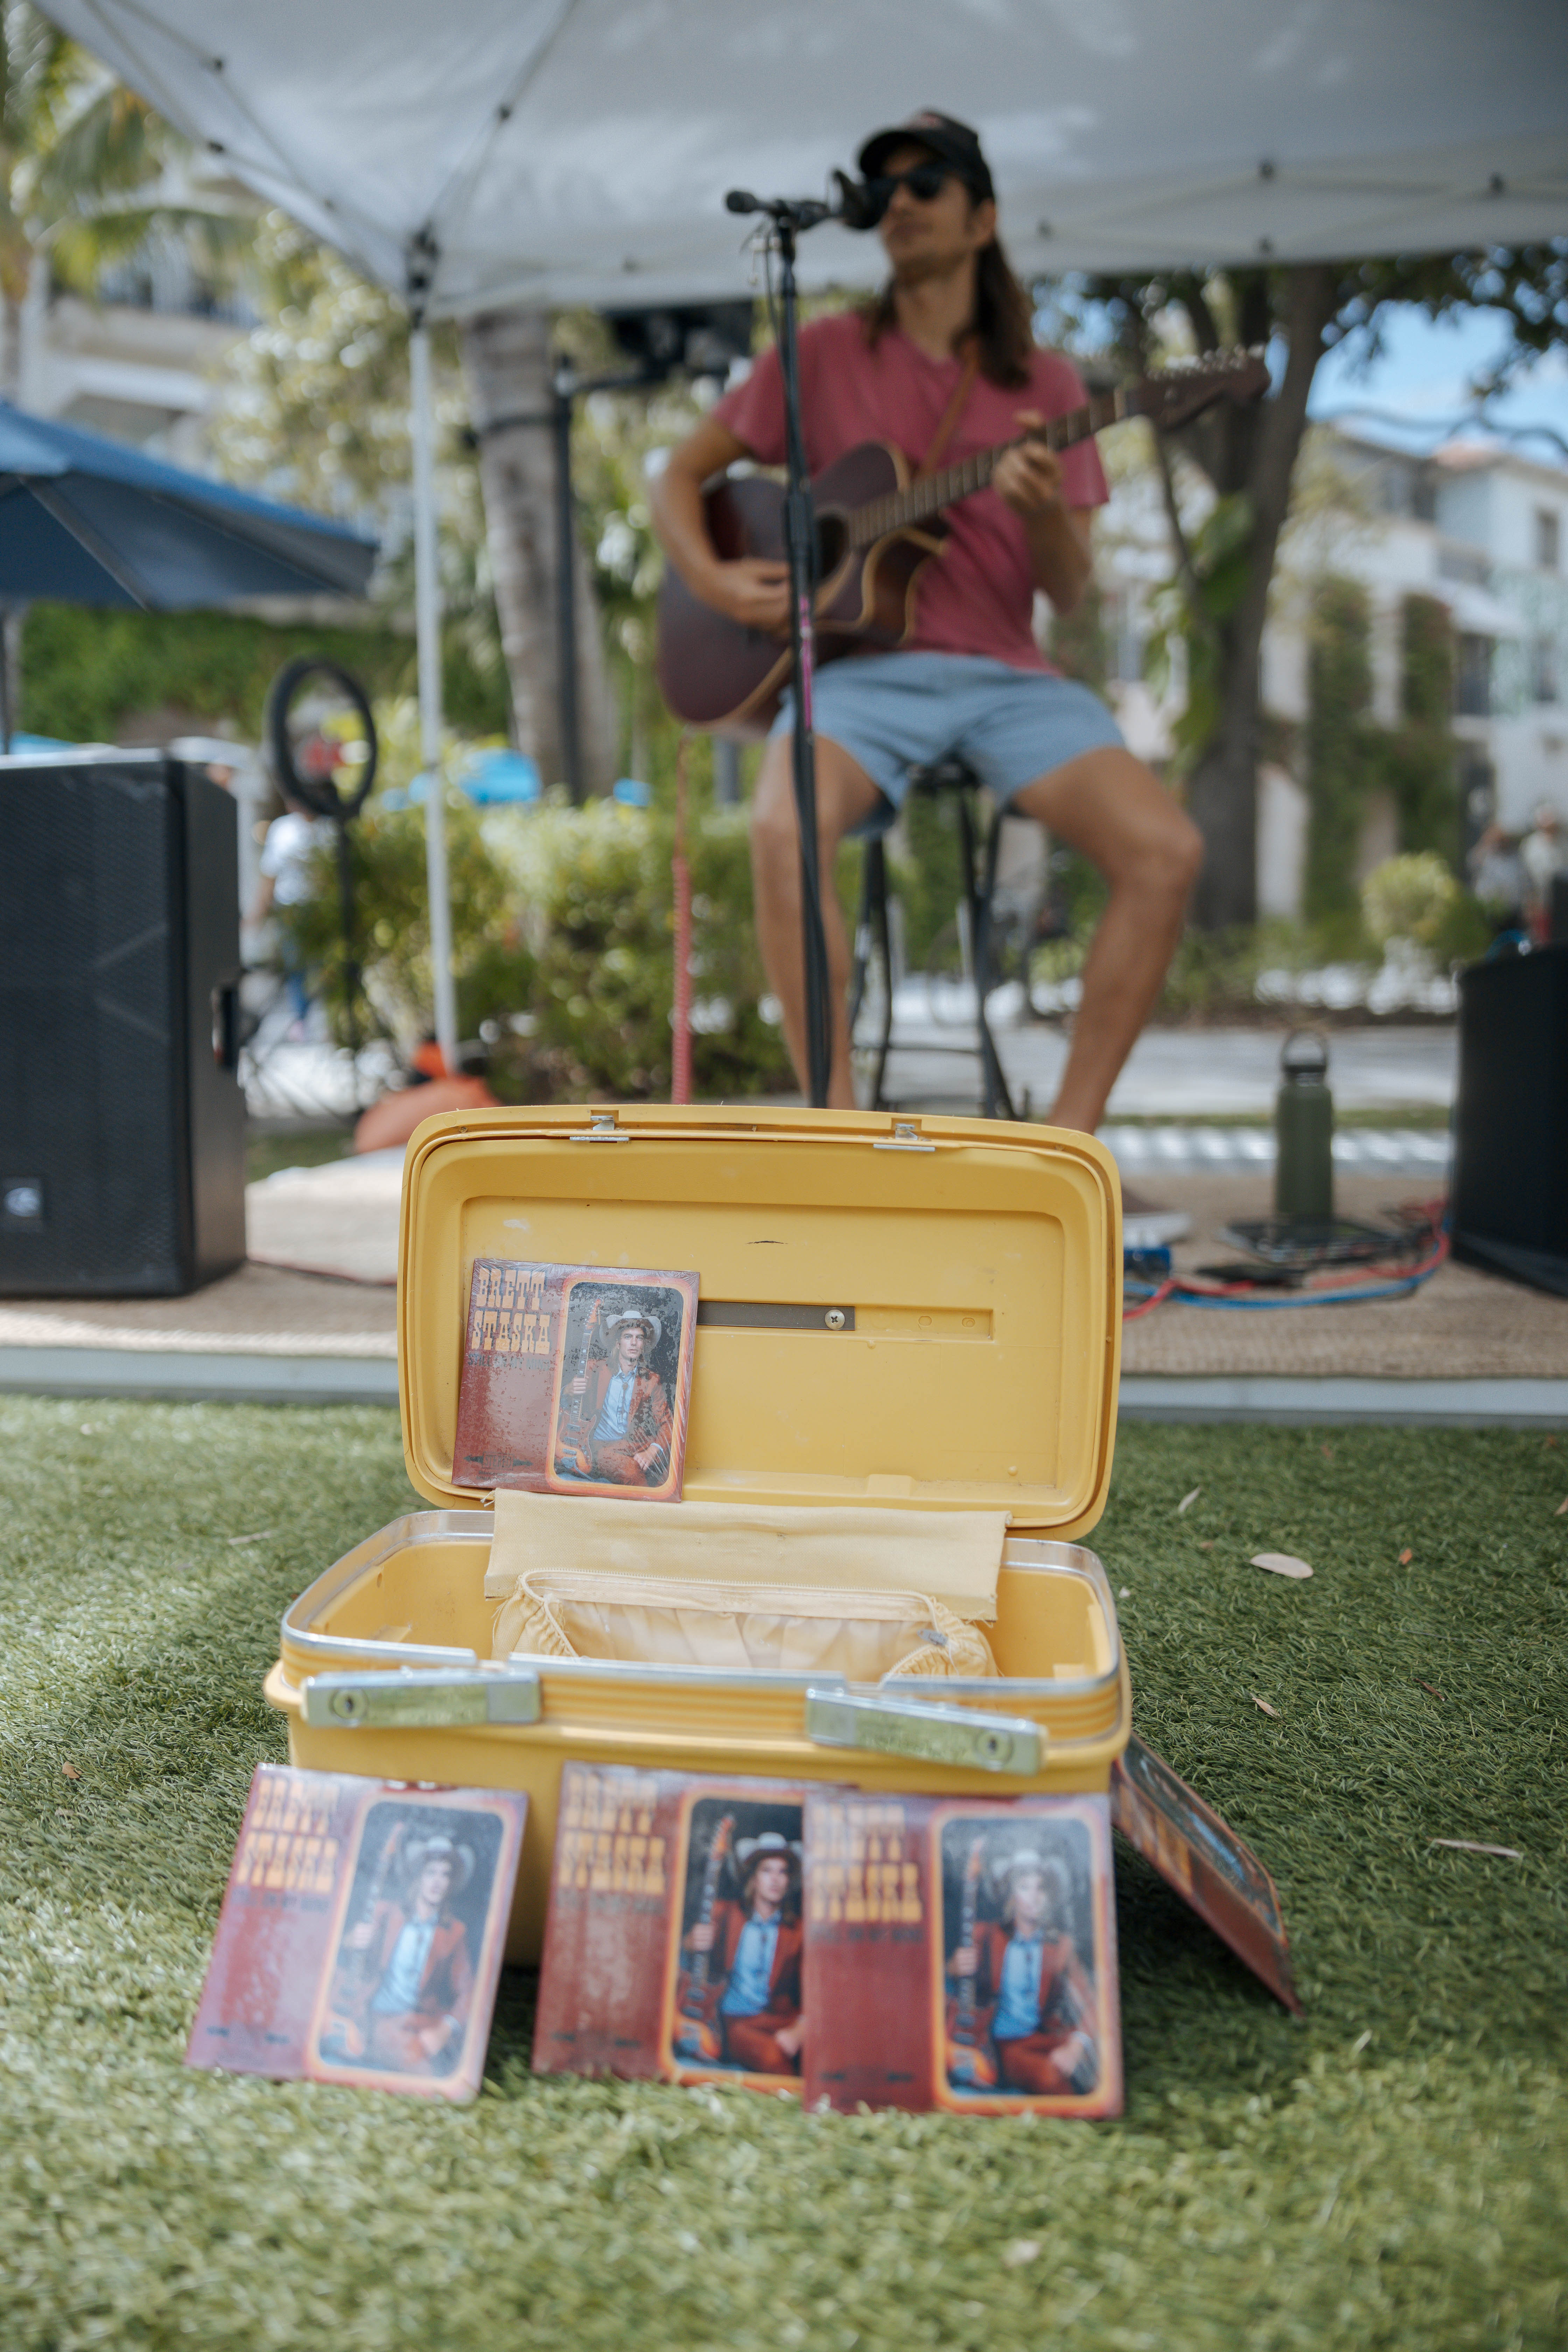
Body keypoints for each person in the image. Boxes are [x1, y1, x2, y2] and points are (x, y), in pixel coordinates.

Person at [651, 109, 1202, 1130]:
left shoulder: (1046, 385)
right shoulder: (816, 353)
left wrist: (1037, 511)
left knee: (1164, 850)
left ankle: (1064, 1145)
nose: (897, 203)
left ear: (980, 217)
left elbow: (1071, 590)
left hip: (1005, 674)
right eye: (885, 188)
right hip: (860, 673)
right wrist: (722, 585)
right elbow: (678, 478)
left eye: (926, 185)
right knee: (778, 826)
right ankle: (837, 1129)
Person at [947, 1847, 1098, 2095]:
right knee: (1049, 2079)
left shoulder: (1061, 1946)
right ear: (1011, 1894)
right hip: (1003, 2046)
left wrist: (1076, 2046)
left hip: (1046, 2037)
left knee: (1093, 2073)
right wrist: (952, 1968)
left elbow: (1091, 2002)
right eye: (1025, 1887)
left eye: (1041, 1888)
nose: (1034, 1896)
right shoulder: (985, 1934)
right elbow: (945, 1979)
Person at [336, 1833, 475, 2075]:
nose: (437, 1882)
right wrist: (349, 1941)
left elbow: (469, 1992)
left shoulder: (454, 1932)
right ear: (419, 1877)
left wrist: (446, 2029)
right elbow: (344, 1957)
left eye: (445, 1875)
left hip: (415, 2022)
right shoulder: (386, 1913)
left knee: (436, 2069)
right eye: (431, 1873)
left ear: (451, 1883)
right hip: (372, 2014)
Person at [682, 1831, 805, 2074]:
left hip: (781, 2019)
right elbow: (685, 1963)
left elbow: (814, 1992)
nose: (775, 1879)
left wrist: (801, 2031)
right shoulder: (725, 1914)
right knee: (774, 2060)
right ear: (754, 1878)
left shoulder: (798, 1931)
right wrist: (689, 1943)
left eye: (783, 1872)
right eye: (767, 1870)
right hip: (735, 2021)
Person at [560, 1306, 674, 1486]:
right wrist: (567, 1391)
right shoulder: (595, 1370)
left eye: (639, 1338)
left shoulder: (651, 1381)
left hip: (632, 1447)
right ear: (619, 1343)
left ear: (643, 1344)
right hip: (597, 1446)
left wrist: (652, 1451)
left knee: (660, 1475)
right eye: (628, 1337)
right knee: (627, 1471)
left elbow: (667, 1423)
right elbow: (566, 1407)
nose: (634, 1343)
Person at [249, 784, 328, 1031]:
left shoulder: (328, 829)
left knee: (323, 964)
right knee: (296, 965)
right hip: (291, 909)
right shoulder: (282, 829)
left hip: (320, 908)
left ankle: (325, 1018)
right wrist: (257, 913)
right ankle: (302, 1019)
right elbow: (269, 875)